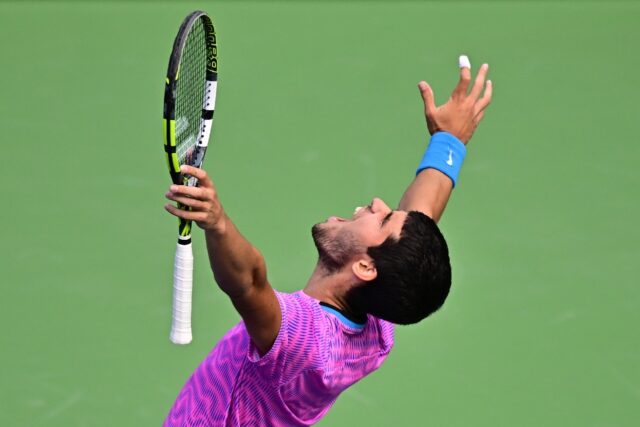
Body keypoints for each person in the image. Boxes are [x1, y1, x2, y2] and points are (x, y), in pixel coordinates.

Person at [163, 55, 492, 426]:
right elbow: (422, 215)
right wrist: (449, 141)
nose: (377, 204)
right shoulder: (379, 322)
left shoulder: (305, 342)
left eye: (382, 218)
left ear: (366, 266)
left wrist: (218, 222)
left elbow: (250, 282)